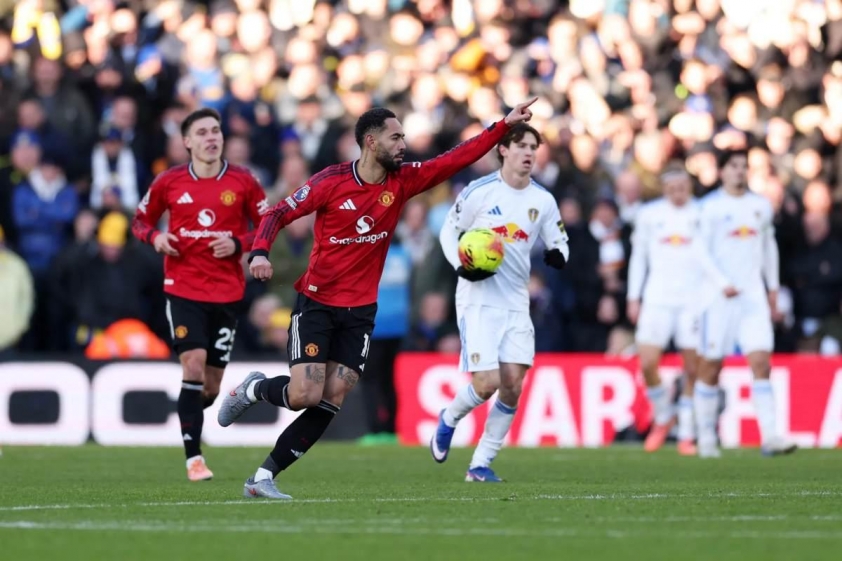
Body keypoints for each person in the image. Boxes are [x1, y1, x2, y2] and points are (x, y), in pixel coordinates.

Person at [218, 98, 540, 499]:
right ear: (371, 142)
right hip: (318, 304)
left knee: (333, 396)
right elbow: (278, 212)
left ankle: (263, 477)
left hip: (360, 313)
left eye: (403, 137)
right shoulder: (331, 181)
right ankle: (254, 390)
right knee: (304, 395)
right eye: (396, 137)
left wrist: (502, 126)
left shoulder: (402, 181)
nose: (403, 144)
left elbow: (455, 159)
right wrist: (260, 252)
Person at [131, 107, 269, 481]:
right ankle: (194, 458)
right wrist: (155, 237)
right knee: (192, 364)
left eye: (216, 131)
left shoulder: (243, 181)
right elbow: (140, 221)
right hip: (183, 288)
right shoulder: (169, 181)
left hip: (227, 292)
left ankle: (195, 414)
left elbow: (268, 224)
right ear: (187, 142)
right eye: (203, 132)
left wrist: (239, 243)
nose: (212, 138)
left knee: (209, 386)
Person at [429, 123, 570, 482]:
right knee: (486, 383)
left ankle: (480, 464)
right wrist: (460, 265)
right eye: (521, 146)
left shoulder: (543, 200)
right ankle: (449, 417)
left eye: (533, 147)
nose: (529, 153)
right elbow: (448, 231)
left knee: (512, 385)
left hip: (516, 303)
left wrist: (558, 256)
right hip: (478, 300)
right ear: (503, 150)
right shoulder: (479, 191)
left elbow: (559, 241)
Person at [693, 149, 797, 458]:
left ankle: (771, 437)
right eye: (733, 166)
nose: (739, 171)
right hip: (718, 299)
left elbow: (769, 247)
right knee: (711, 366)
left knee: (761, 361)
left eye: (743, 166)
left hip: (752, 297)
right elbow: (700, 251)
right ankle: (706, 437)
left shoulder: (760, 206)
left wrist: (772, 286)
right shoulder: (709, 207)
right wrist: (722, 283)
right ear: (722, 171)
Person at [626, 165, 701, 456]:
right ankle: (663, 414)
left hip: (693, 300)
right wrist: (634, 297)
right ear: (664, 189)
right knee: (647, 362)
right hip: (657, 298)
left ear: (689, 187)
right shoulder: (649, 215)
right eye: (672, 189)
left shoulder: (702, 213)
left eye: (682, 188)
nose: (678, 194)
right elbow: (639, 257)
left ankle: (687, 432)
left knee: (692, 368)